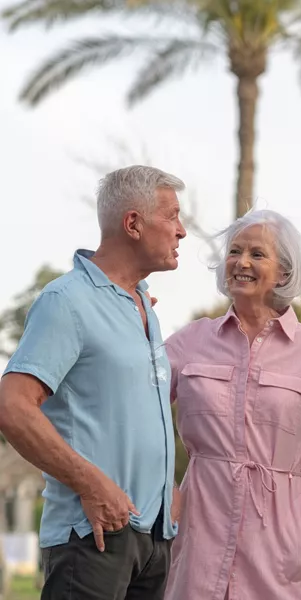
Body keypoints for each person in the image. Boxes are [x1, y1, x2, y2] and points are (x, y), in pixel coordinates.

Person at [0, 165, 186, 600]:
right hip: (93, 538)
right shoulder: (66, 301)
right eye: (172, 216)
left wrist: (169, 490)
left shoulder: (143, 306)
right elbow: (13, 407)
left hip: (153, 538)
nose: (181, 231)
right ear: (133, 224)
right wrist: (91, 485)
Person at [163, 209, 301, 600]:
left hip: (281, 539)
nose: (242, 262)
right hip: (200, 529)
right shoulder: (189, 341)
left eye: (257, 254)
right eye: (235, 252)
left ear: (283, 273)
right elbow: (142, 414)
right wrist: (167, 488)